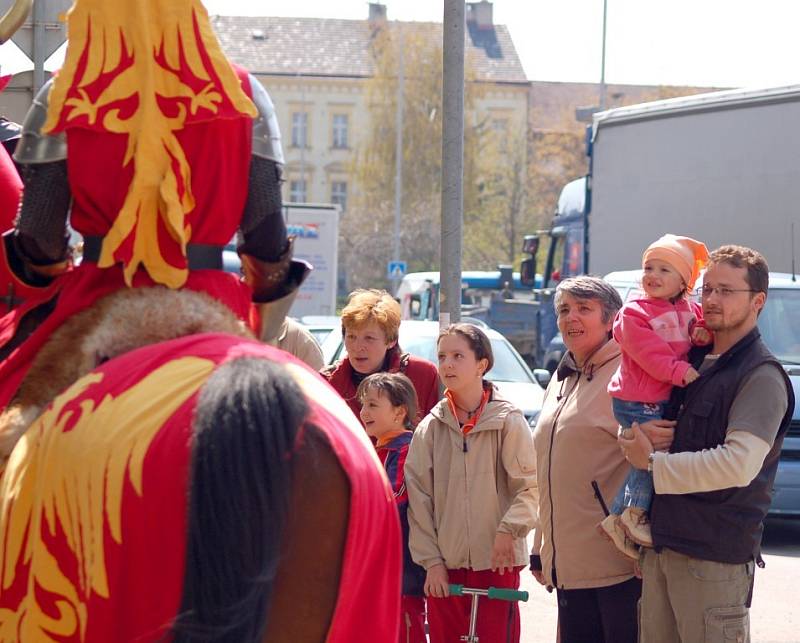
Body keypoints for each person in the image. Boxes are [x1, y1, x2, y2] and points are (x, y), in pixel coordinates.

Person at [0, 0, 308, 411]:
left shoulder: (65, 91)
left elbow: (38, 239)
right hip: (213, 301)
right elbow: (267, 245)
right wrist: (263, 325)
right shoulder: (244, 94)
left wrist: (44, 272)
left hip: (97, 297)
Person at [620, 245, 794, 643]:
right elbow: (638, 409)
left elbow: (738, 464)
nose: (712, 299)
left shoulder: (760, 375)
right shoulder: (691, 361)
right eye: (707, 289)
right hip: (664, 549)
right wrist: (630, 436)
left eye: (727, 291)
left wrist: (651, 464)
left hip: (713, 560)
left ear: (758, 302)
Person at [530, 276, 674, 643]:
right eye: (564, 310)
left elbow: (655, 456)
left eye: (584, 309)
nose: (570, 318)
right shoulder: (562, 379)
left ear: (611, 320)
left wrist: (646, 546)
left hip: (618, 566)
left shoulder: (630, 374)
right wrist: (540, 547)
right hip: (568, 565)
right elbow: (550, 470)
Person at [405, 323, 537, 643]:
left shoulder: (508, 420)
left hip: (498, 564)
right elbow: (418, 500)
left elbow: (530, 488)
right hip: (445, 569)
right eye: (442, 356)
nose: (447, 364)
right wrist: (432, 562)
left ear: (481, 365)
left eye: (457, 356)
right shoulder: (431, 427)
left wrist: (510, 529)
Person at [600, 234, 710, 552]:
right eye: (649, 267)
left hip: (656, 397)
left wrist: (700, 335)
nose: (653, 276)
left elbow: (693, 336)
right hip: (636, 398)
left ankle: (618, 517)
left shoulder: (689, 309)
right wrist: (682, 373)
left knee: (648, 457)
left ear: (683, 281)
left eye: (665, 270)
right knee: (651, 457)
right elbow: (651, 355)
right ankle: (635, 514)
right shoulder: (634, 313)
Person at [357, 372, 427, 643]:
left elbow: (391, 498)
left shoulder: (405, 450)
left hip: (401, 570)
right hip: (382, 570)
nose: (364, 412)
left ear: (399, 412)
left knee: (406, 631)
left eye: (373, 405)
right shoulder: (378, 450)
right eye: (363, 404)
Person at [322, 289, 439, 424]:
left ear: (391, 341)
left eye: (369, 338)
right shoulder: (326, 383)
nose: (358, 347)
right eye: (351, 337)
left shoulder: (422, 375)